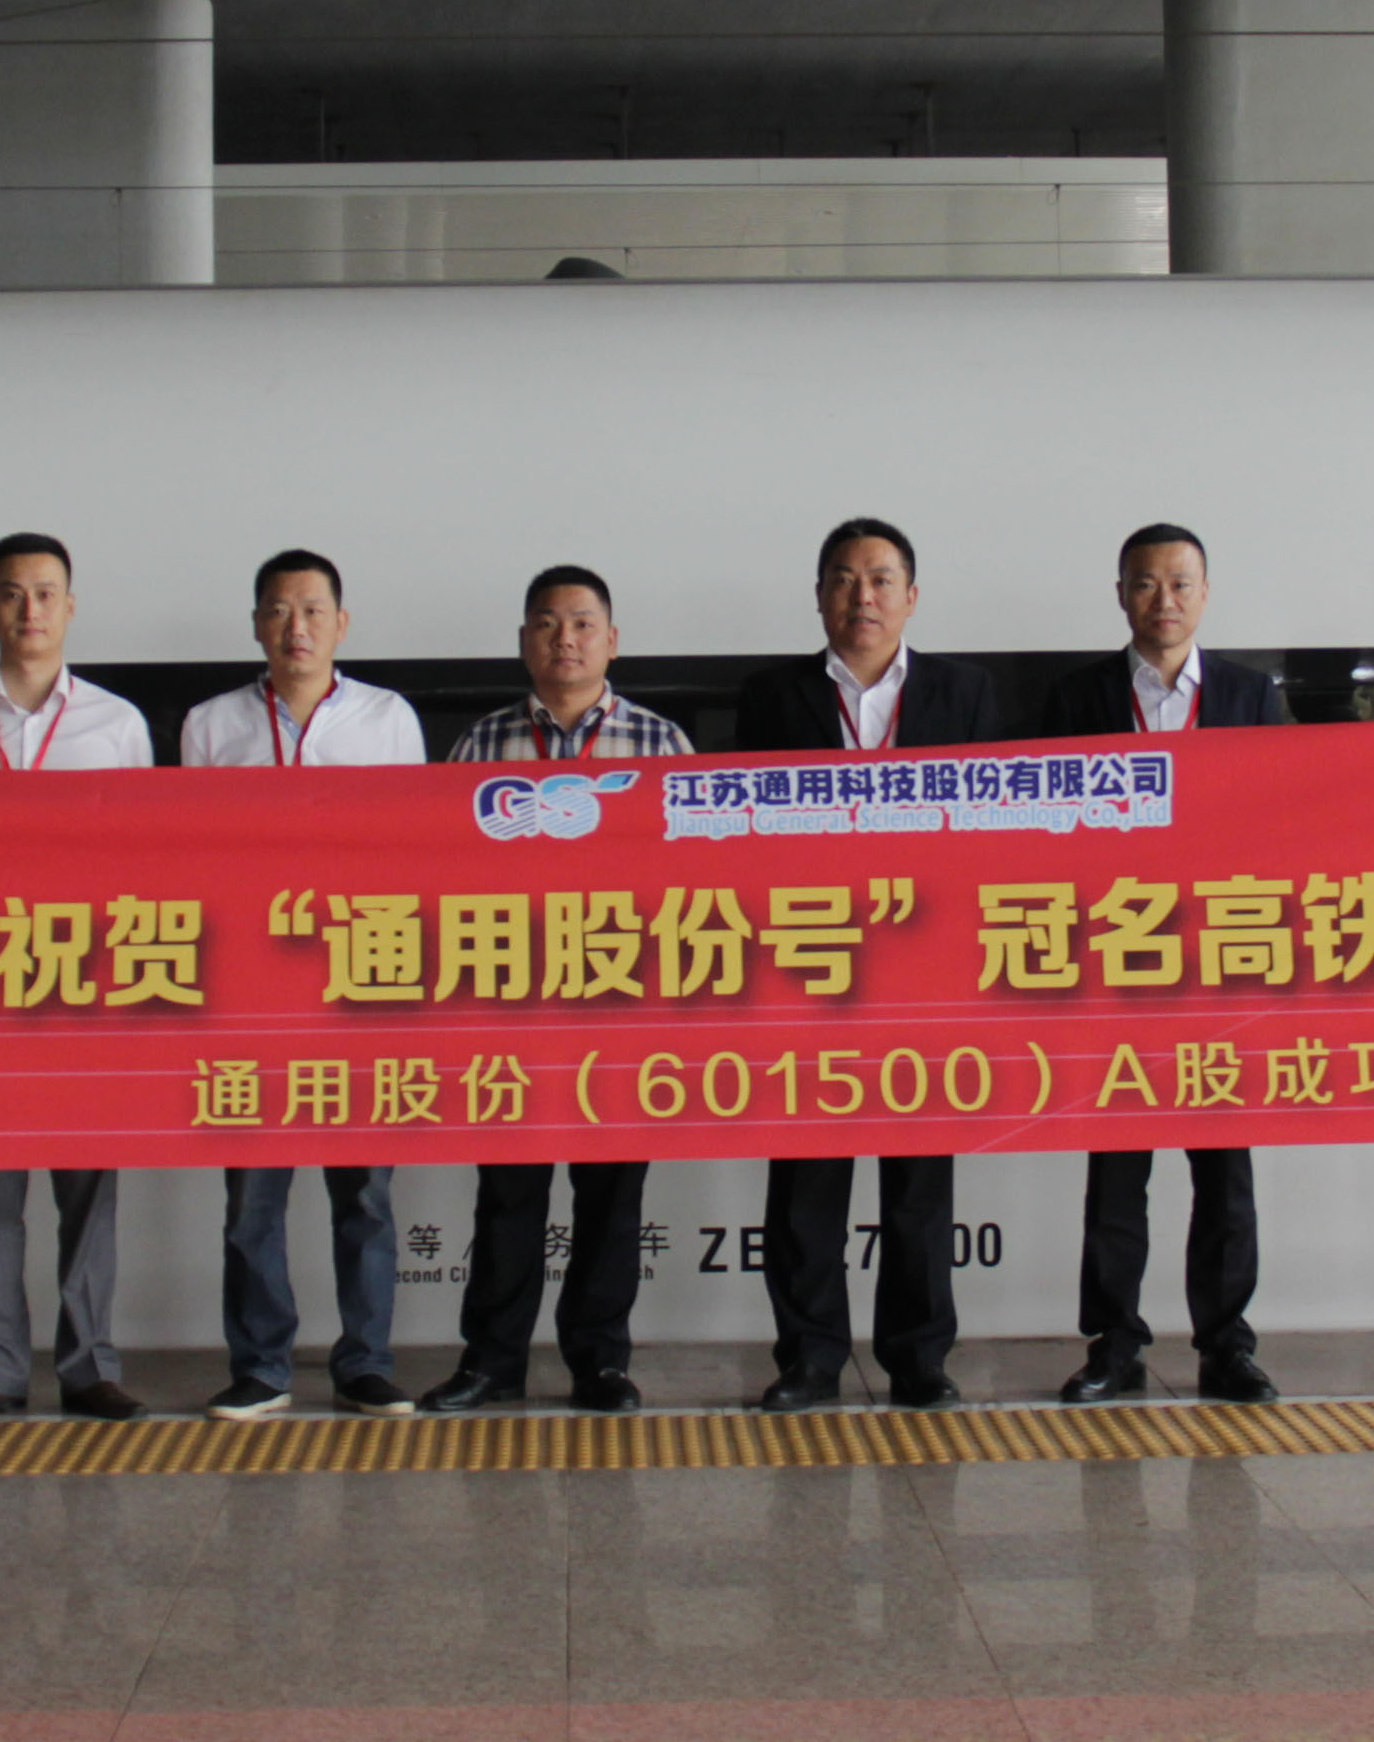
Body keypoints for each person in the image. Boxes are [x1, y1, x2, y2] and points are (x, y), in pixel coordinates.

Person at [731, 517, 1003, 1410]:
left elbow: (1003, 833)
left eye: (882, 579)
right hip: (808, 968)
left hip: (929, 973)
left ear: (911, 597)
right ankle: (809, 1359)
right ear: (819, 597)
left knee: (920, 1178)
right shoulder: (770, 698)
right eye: (844, 579)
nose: (863, 596)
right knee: (807, 1177)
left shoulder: (967, 694)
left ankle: (919, 1360)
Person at [420, 564, 694, 1415]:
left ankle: (600, 1362)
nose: (564, 639)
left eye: (581, 624)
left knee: (611, 1198)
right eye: (546, 623)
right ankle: (492, 1361)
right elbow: (442, 875)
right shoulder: (481, 745)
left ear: (612, 641)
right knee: (509, 1195)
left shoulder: (662, 744)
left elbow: (697, 883)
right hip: (512, 1009)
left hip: (620, 1008)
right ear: (523, 642)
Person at [0, 533, 154, 1424]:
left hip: (85, 987)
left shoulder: (117, 726)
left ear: (70, 607)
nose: (30, 609)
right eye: (11, 593)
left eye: (46, 593)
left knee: (89, 1186)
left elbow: (147, 861)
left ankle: (89, 1367)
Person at [1040, 523, 1288, 1406]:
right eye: (1145, 583)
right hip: (1115, 967)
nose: (1164, 600)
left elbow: (1293, 823)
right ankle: (1114, 1343)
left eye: (1181, 583)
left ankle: (1227, 1345)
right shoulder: (1076, 699)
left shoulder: (1253, 697)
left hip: (1222, 965)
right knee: (1117, 1173)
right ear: (1121, 594)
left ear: (1205, 593)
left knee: (1224, 1173)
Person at [181, 548, 430, 1419]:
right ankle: (261, 1365)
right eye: (280, 611)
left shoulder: (387, 718)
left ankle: (365, 1361)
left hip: (361, 980)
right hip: (250, 986)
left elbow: (413, 849)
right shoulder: (211, 725)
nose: (298, 627)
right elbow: (191, 858)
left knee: (364, 1189)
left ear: (341, 623)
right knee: (253, 1192)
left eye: (314, 610)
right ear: (257, 624)